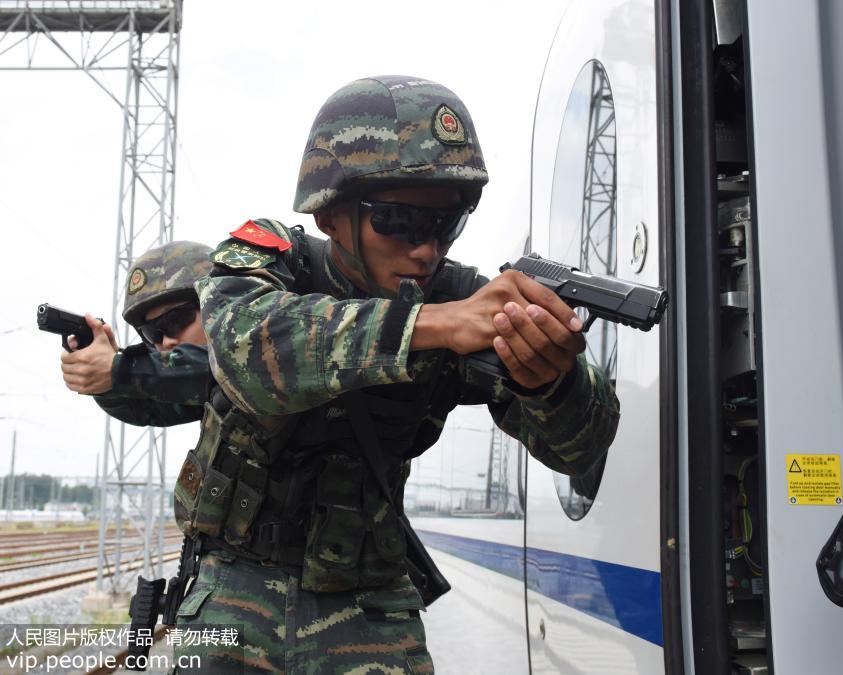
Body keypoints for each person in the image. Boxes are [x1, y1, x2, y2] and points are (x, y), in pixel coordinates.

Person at [173, 75, 621, 673]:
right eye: (398, 221)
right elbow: (246, 352)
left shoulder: (465, 301)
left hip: (370, 601)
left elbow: (581, 448)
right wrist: (430, 326)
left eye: (445, 224)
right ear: (330, 215)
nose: (426, 250)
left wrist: (549, 379)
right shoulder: (279, 262)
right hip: (234, 587)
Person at [59, 240, 215, 427]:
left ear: (213, 305)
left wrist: (119, 369)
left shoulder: (249, 341)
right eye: (153, 333)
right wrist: (103, 382)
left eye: (176, 321)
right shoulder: (214, 394)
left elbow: (224, 371)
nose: (166, 342)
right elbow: (148, 407)